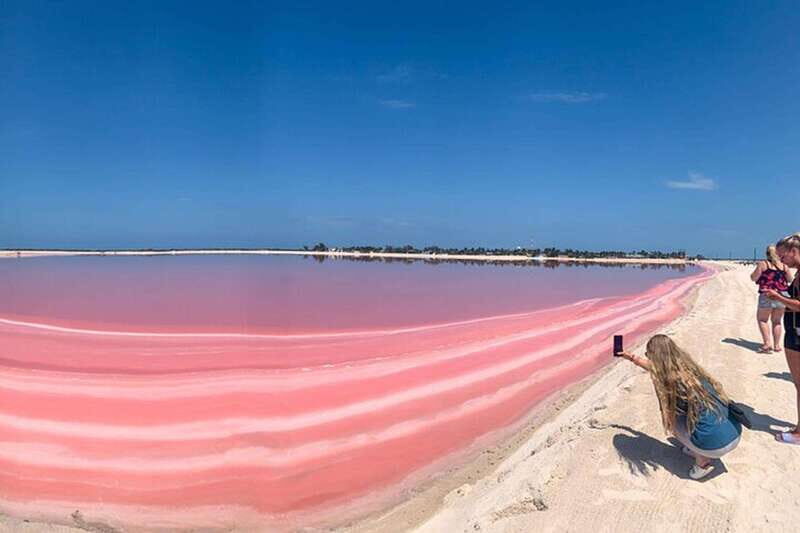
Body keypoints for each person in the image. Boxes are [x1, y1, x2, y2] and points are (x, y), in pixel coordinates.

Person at [619, 334, 742, 479]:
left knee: (673, 425)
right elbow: (658, 370)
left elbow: (660, 374)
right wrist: (631, 357)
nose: (647, 357)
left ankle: (703, 462)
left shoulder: (673, 386)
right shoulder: (690, 369)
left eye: (648, 355)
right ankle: (697, 448)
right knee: (699, 418)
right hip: (734, 433)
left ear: (656, 358)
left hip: (715, 446)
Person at [764, 233, 800, 444]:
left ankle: (798, 433)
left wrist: (779, 298)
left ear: (794, 251)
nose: (780, 260)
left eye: (782, 255)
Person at [750, 245, 793, 353]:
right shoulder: (784, 266)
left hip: (767, 294)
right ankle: (777, 346)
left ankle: (767, 344)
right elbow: (789, 279)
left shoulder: (763, 264)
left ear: (767, 253)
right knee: (777, 321)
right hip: (782, 295)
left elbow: (754, 277)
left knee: (762, 320)